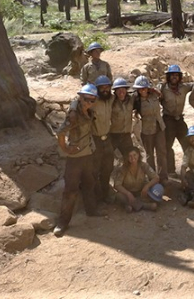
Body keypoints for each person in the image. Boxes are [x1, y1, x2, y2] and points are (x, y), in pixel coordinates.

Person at [54, 84, 105, 237]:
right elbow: (60, 133)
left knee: (89, 183)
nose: (89, 102)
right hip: (75, 158)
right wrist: (66, 149)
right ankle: (62, 222)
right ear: (81, 97)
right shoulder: (74, 115)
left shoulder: (86, 110)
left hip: (88, 154)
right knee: (70, 190)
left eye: (92, 100)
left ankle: (91, 210)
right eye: (87, 99)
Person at [132, 76, 168, 183]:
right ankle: (152, 178)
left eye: (145, 88)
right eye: (140, 88)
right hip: (146, 130)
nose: (143, 90)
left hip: (159, 127)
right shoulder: (136, 100)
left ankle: (163, 177)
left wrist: (154, 90)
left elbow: (162, 96)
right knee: (149, 155)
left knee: (162, 152)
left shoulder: (154, 95)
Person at [158, 64, 193, 176]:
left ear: (179, 76)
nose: (174, 77)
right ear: (168, 76)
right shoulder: (163, 88)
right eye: (172, 75)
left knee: (187, 144)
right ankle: (171, 170)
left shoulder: (184, 87)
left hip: (180, 120)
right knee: (168, 146)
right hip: (168, 120)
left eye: (176, 75)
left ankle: (192, 167)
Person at [90, 76, 116, 203]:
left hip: (107, 139)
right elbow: (78, 102)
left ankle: (105, 194)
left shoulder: (110, 99)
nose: (105, 89)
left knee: (108, 168)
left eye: (107, 87)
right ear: (97, 88)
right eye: (102, 87)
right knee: (95, 170)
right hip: (95, 140)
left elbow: (124, 94)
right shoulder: (92, 101)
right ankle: (95, 197)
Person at [108, 77, 138, 162]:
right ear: (115, 91)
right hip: (113, 135)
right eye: (118, 90)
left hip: (126, 135)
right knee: (108, 157)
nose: (121, 92)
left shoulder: (131, 99)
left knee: (130, 158)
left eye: (123, 89)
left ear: (126, 90)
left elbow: (141, 91)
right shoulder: (111, 101)